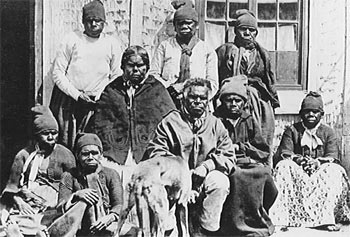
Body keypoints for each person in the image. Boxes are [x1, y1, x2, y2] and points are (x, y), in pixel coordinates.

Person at [143, 78, 236, 236]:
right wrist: (181, 175)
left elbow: (228, 155)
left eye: (202, 98)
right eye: (193, 97)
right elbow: (156, 152)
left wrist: (206, 167)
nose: (198, 101)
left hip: (202, 178)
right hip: (175, 180)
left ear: (208, 101)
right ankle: (168, 228)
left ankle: (206, 230)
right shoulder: (169, 122)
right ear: (183, 98)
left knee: (220, 182)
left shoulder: (215, 124)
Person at [270, 92, 350, 231]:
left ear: (321, 114)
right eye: (307, 111)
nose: (311, 114)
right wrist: (299, 159)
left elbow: (333, 155)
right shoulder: (292, 130)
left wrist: (318, 163)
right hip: (298, 174)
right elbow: (284, 152)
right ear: (301, 114)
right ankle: (282, 218)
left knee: (334, 170)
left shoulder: (328, 132)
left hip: (320, 175)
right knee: (283, 166)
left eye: (315, 111)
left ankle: (326, 218)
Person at [84, 45, 175, 166]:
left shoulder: (157, 89)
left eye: (140, 65)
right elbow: (100, 123)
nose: (136, 69)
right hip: (115, 155)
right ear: (123, 67)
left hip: (148, 155)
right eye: (131, 65)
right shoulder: (112, 89)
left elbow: (170, 121)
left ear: (147, 67)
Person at [50, 0, 123, 149]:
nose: (94, 24)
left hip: (97, 103)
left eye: (98, 20)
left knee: (91, 146)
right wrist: (76, 95)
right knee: (67, 145)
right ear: (83, 22)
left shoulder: (111, 43)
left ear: (104, 22)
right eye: (90, 20)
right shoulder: (72, 39)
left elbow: (116, 75)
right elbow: (58, 73)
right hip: (70, 102)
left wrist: (101, 96)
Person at [214, 76, 278, 236]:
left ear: (244, 102)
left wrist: (241, 148)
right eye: (229, 100)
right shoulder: (216, 120)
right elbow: (210, 146)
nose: (234, 104)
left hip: (247, 161)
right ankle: (235, 225)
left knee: (263, 174)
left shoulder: (248, 120)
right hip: (225, 163)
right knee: (237, 176)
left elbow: (262, 149)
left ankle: (256, 220)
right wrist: (228, 150)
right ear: (222, 101)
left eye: (238, 100)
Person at [0, 105, 76, 236]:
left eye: (54, 133)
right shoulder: (23, 155)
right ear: (37, 134)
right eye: (46, 133)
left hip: (55, 203)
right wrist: (20, 203)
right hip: (27, 200)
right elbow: (12, 187)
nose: (51, 137)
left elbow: (73, 185)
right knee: (8, 218)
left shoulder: (65, 155)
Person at [216, 9, 280, 150]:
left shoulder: (263, 54)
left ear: (256, 33)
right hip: (233, 99)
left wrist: (272, 99)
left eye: (251, 30)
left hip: (258, 101)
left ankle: (260, 159)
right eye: (243, 29)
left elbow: (269, 80)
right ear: (236, 31)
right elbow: (218, 78)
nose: (247, 33)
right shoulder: (225, 51)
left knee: (261, 129)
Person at [52, 133, 123, 237]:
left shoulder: (111, 174)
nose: (90, 157)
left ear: (101, 154)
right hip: (78, 227)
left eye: (94, 153)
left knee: (134, 231)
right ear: (77, 156)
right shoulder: (69, 176)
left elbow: (119, 205)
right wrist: (76, 196)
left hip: (106, 224)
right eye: (85, 154)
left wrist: (109, 218)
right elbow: (59, 207)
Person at [149, 6, 218, 109]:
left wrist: (192, 93)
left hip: (198, 104)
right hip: (169, 101)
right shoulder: (165, 46)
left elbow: (213, 83)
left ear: (197, 25)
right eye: (180, 23)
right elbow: (153, 75)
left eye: (188, 23)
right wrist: (170, 89)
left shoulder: (207, 50)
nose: (184, 26)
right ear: (175, 26)